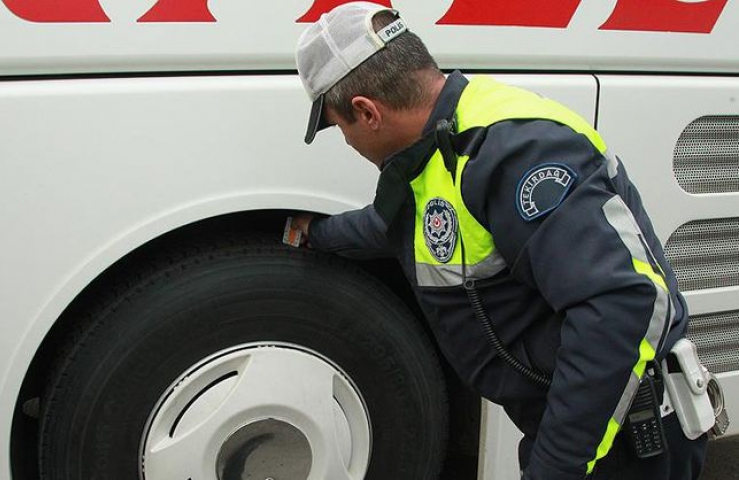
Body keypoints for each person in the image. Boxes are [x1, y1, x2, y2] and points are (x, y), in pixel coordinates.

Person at [292, 2, 710, 479]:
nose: (346, 140)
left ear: (367, 112)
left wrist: (554, 468)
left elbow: (623, 306)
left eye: (338, 125)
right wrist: (314, 234)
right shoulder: (436, 147)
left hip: (623, 434)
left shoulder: (517, 151)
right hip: (576, 420)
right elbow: (400, 226)